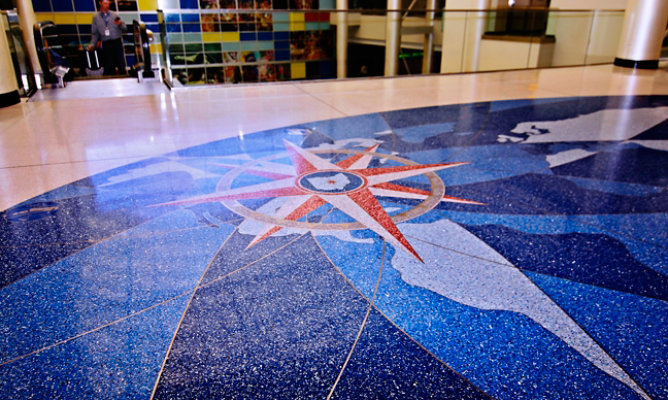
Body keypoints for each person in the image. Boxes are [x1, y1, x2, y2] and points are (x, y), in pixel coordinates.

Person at [88, 0, 127, 76]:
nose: (107, 6)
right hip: (106, 43)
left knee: (121, 64)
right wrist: (92, 44)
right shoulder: (96, 17)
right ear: (100, 3)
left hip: (117, 42)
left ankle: (124, 79)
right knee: (109, 65)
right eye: (105, 3)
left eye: (108, 4)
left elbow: (125, 29)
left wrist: (120, 24)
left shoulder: (115, 15)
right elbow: (95, 33)